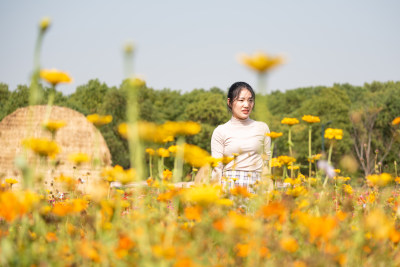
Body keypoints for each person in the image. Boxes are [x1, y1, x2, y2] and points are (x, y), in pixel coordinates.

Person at [211, 81, 271, 192]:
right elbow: (217, 168)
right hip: (229, 188)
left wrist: (268, 192)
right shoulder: (220, 131)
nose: (246, 105)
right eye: (241, 100)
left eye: (250, 100)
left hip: (256, 187)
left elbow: (267, 164)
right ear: (229, 102)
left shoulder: (262, 128)